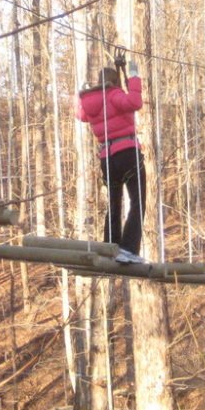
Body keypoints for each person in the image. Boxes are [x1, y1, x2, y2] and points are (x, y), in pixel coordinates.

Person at [75, 49, 147, 264]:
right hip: (127, 153)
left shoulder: (89, 103)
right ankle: (128, 250)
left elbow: (81, 115)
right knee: (138, 201)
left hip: (107, 158)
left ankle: (110, 246)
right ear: (115, 83)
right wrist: (133, 78)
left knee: (114, 203)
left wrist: (82, 95)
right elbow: (134, 103)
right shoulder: (115, 95)